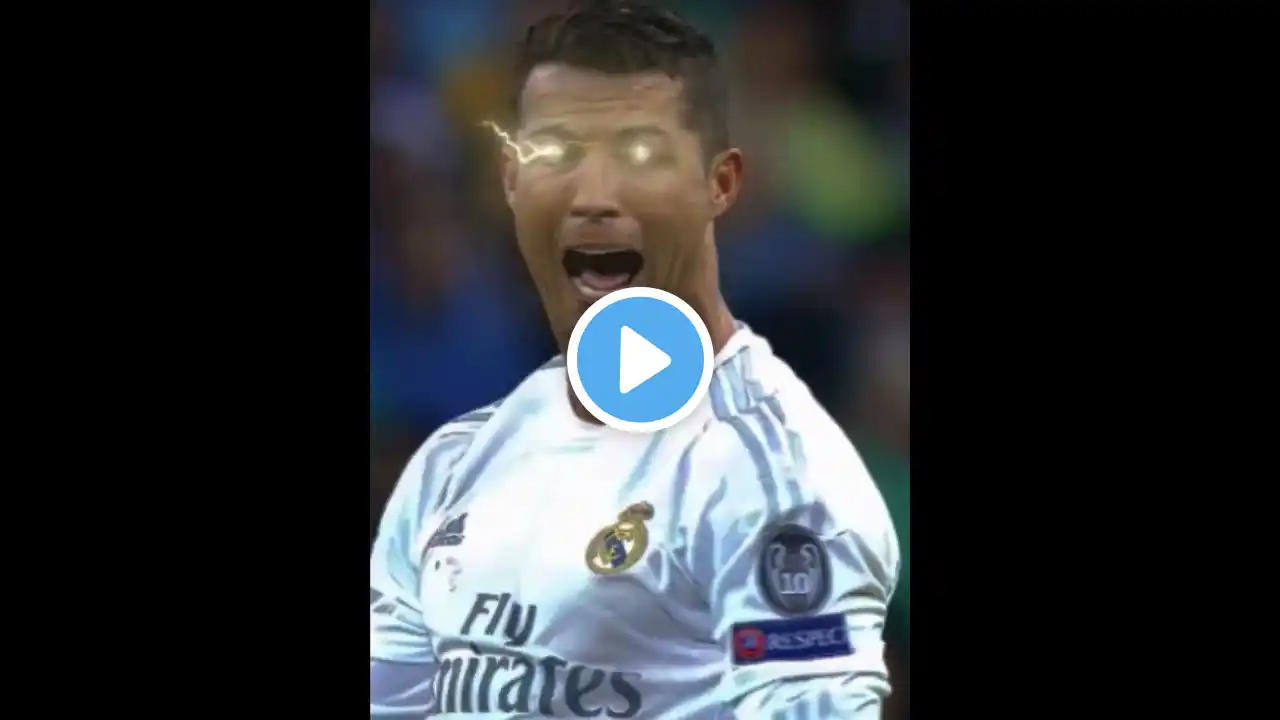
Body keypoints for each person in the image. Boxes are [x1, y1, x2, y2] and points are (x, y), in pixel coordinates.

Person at [369, 1, 901, 717]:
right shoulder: (452, 464)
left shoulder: (778, 485)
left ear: (720, 185)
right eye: (556, 155)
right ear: (510, 181)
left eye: (642, 156)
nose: (593, 197)